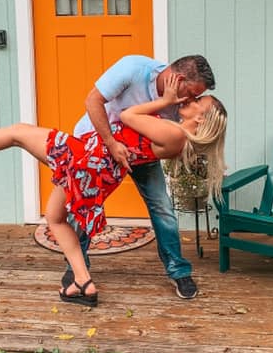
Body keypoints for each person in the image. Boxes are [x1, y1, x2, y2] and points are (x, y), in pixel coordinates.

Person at [0, 74, 227, 309]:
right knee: (54, 216)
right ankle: (83, 282)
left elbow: (129, 116)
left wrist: (165, 100)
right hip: (95, 166)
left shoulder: (173, 133)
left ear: (202, 118)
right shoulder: (176, 138)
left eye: (200, 102)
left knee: (17, 133)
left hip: (86, 160)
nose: (193, 100)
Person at [69, 54, 216, 300]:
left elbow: (186, 130)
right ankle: (76, 270)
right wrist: (111, 143)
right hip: (99, 143)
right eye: (191, 93)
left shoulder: (180, 102)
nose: (192, 100)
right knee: (87, 205)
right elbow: (93, 100)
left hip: (140, 152)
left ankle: (178, 270)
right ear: (178, 79)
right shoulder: (133, 68)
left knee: (162, 207)